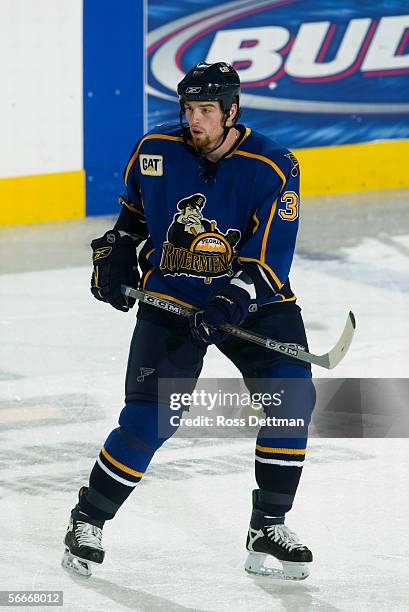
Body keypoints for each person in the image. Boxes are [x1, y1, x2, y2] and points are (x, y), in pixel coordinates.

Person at [62, 62, 315, 580]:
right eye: (188, 110)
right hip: (172, 298)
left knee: (292, 398)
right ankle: (88, 518)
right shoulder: (154, 151)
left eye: (205, 111)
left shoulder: (272, 165)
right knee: (150, 417)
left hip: (251, 303)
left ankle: (268, 524)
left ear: (232, 112)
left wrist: (230, 302)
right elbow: (133, 217)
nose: (194, 121)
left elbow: (270, 258)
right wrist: (117, 253)